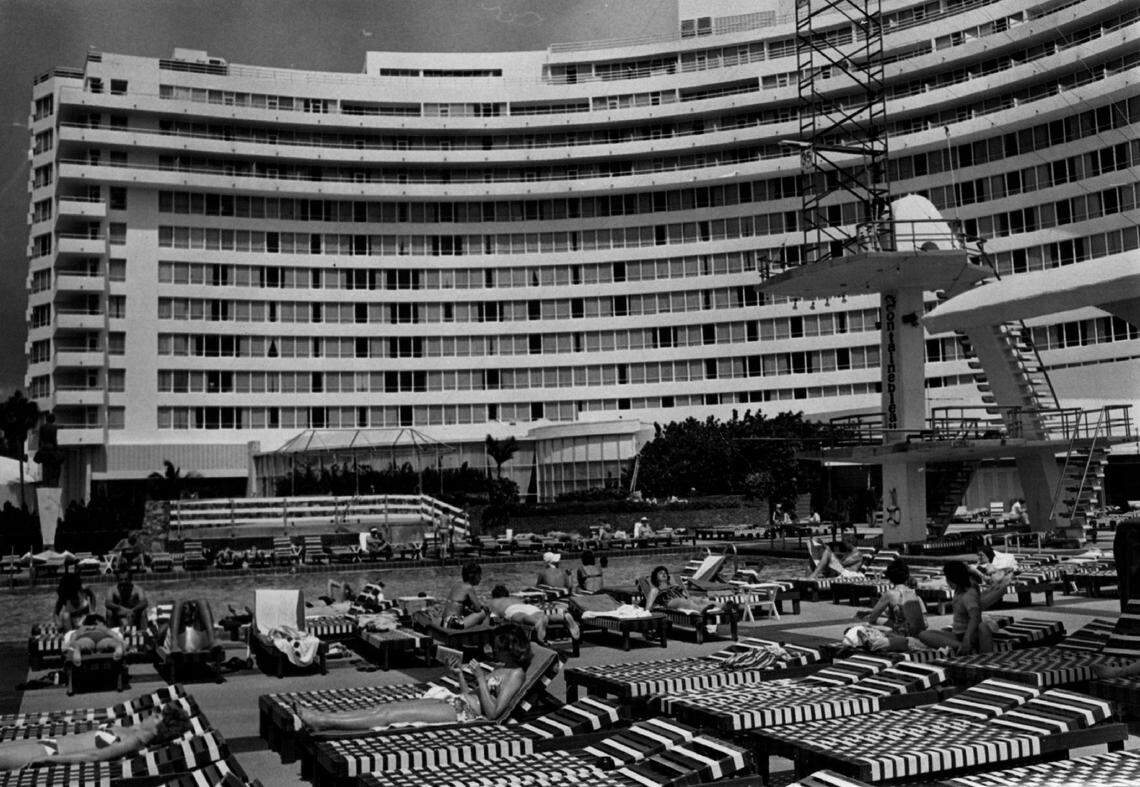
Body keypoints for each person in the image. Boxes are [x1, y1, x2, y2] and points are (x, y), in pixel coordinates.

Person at [297, 625, 532, 730]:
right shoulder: (502, 667)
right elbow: (471, 695)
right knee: (386, 707)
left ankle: (323, 721)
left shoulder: (515, 674)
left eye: (497, 648)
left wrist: (480, 677)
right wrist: (460, 674)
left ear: (510, 648)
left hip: (464, 714)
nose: (493, 651)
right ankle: (323, 716)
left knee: (389, 716)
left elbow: (493, 714)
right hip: (458, 702)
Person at [0, 703, 192, 771]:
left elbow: (94, 756)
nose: (150, 713)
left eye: (156, 716)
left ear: (159, 730)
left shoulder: (132, 741)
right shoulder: (132, 729)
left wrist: (48, 759)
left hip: (49, 751)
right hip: (45, 743)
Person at [918, 561, 992, 654]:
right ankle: (959, 645)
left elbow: (975, 618)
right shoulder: (959, 590)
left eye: (947, 578)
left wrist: (967, 638)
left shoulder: (968, 594)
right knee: (924, 634)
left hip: (969, 635)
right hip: (957, 634)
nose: (947, 581)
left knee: (926, 635)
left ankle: (962, 646)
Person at [857, 560, 926, 651]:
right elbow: (924, 623)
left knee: (864, 627)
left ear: (890, 578)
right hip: (918, 636)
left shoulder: (890, 594)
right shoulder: (915, 594)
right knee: (883, 620)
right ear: (907, 577)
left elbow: (872, 618)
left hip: (901, 637)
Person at [486, 585, 580, 642]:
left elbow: (493, 618)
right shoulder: (515, 599)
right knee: (542, 615)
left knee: (522, 617)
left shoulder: (495, 603)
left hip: (513, 610)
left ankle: (536, 622)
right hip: (530, 607)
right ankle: (562, 617)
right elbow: (526, 602)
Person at [643, 565, 723, 614]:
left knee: (699, 599)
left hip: (683, 599)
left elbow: (687, 596)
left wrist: (694, 599)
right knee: (682, 601)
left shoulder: (675, 586)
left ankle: (723, 606)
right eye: (660, 573)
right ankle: (702, 610)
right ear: (655, 578)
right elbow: (648, 608)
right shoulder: (655, 590)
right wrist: (656, 608)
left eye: (665, 573)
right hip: (669, 602)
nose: (664, 574)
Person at [440, 561, 488, 629]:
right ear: (472, 575)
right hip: (454, 623)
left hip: (444, 622)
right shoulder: (469, 587)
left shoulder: (457, 585)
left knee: (467, 611)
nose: (480, 578)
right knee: (484, 611)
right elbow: (478, 609)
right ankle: (486, 629)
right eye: (479, 575)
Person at [971, 544, 1017, 608]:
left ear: (988, 556)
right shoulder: (981, 565)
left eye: (981, 555)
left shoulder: (990, 567)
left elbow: (992, 580)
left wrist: (977, 571)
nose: (979, 557)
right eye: (978, 555)